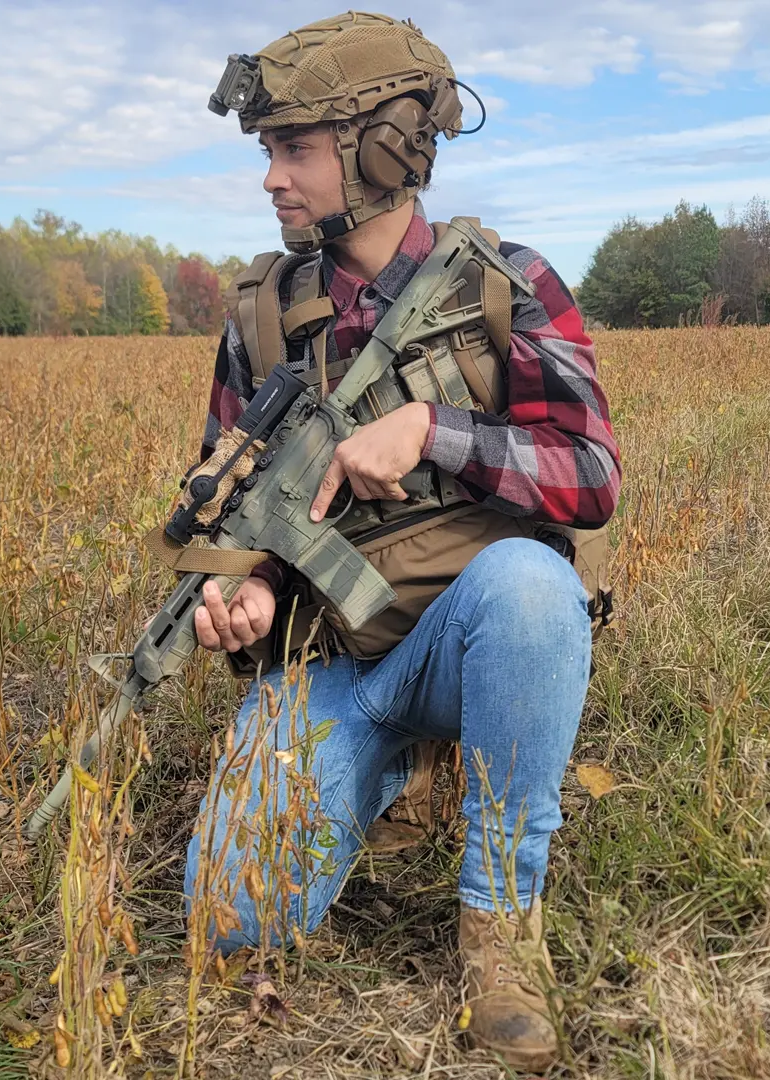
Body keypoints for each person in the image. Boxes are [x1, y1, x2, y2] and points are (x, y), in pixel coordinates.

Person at [181, 12, 620, 1072]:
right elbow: (229, 513)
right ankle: (395, 768)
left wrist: (436, 430)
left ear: (384, 147)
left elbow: (592, 478)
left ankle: (500, 919)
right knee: (228, 916)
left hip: (475, 635)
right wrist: (237, 595)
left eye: (294, 149)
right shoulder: (266, 318)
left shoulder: (501, 287)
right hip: (336, 660)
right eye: (267, 152)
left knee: (526, 586)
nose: (272, 180)